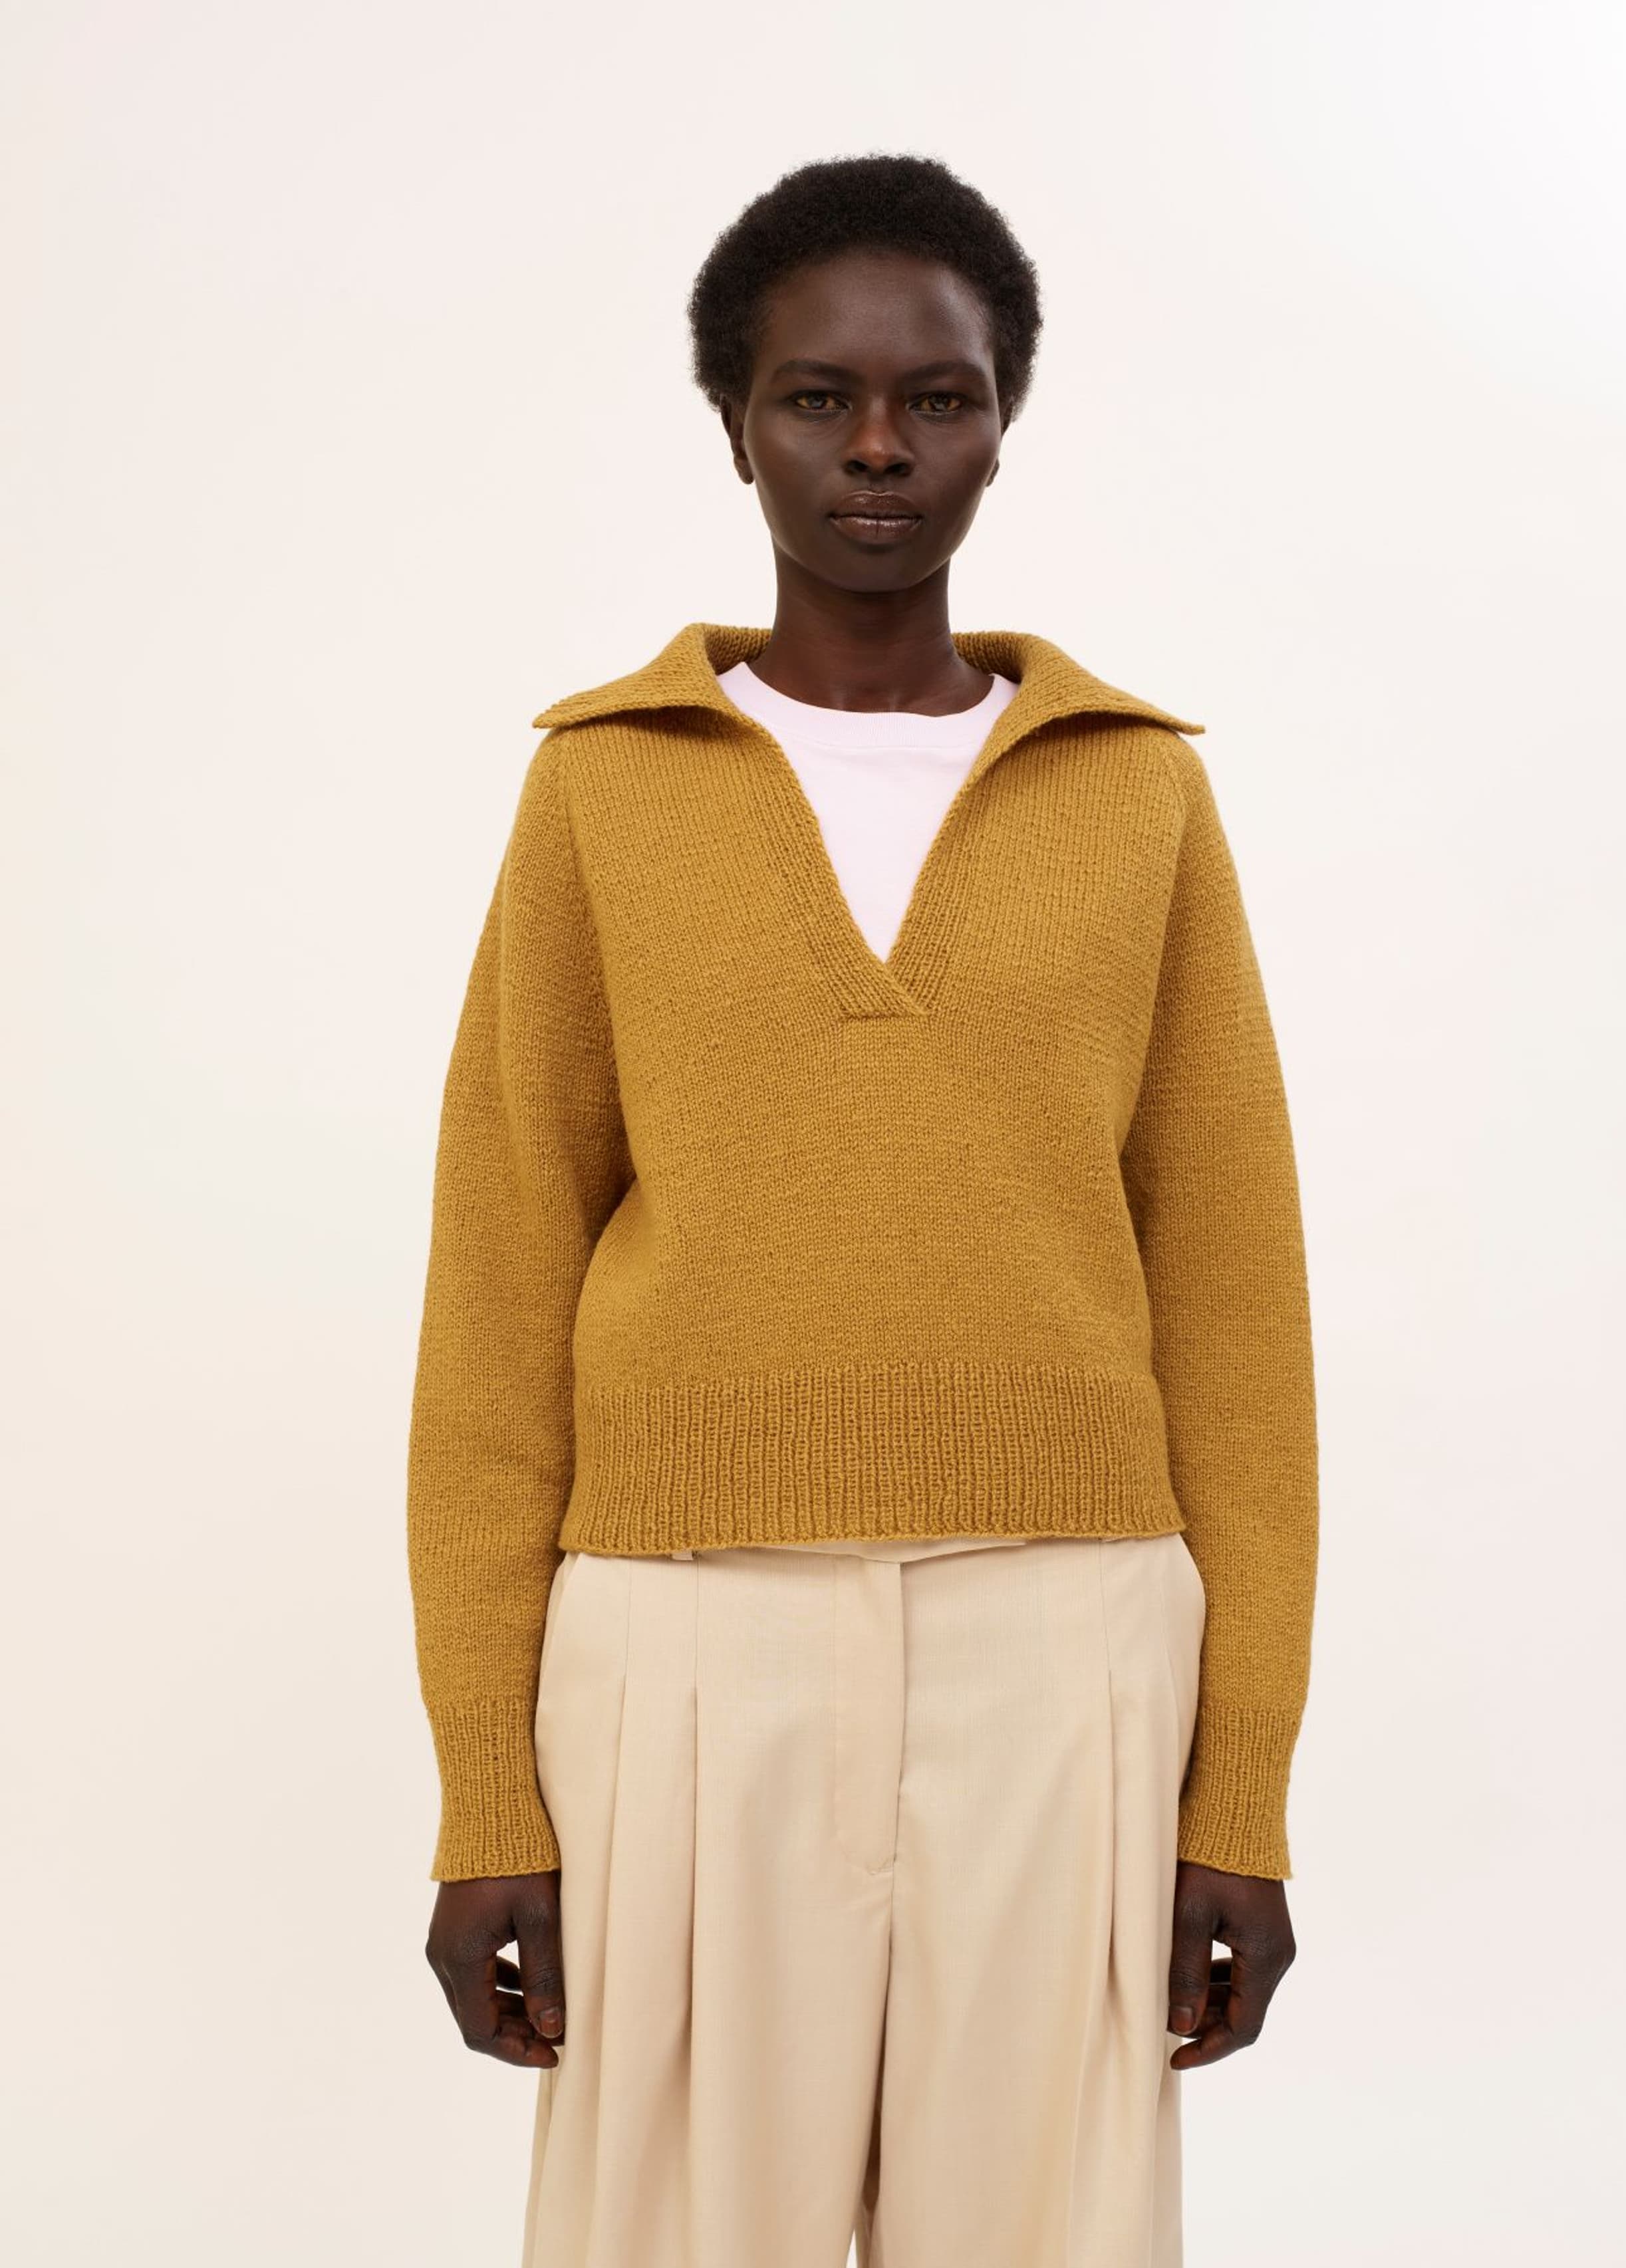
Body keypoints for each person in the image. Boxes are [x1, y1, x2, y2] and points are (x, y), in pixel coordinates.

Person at [406, 152, 1318, 2268]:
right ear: (737, 424)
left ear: (1007, 421)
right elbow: (499, 1293)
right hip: (681, 1641)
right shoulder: (604, 782)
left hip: (1068, 1639)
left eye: (941, 396)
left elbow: (1235, 1309)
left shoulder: (1140, 791)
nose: (882, 447)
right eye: (820, 397)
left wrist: (1242, 1798)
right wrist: (485, 1799)